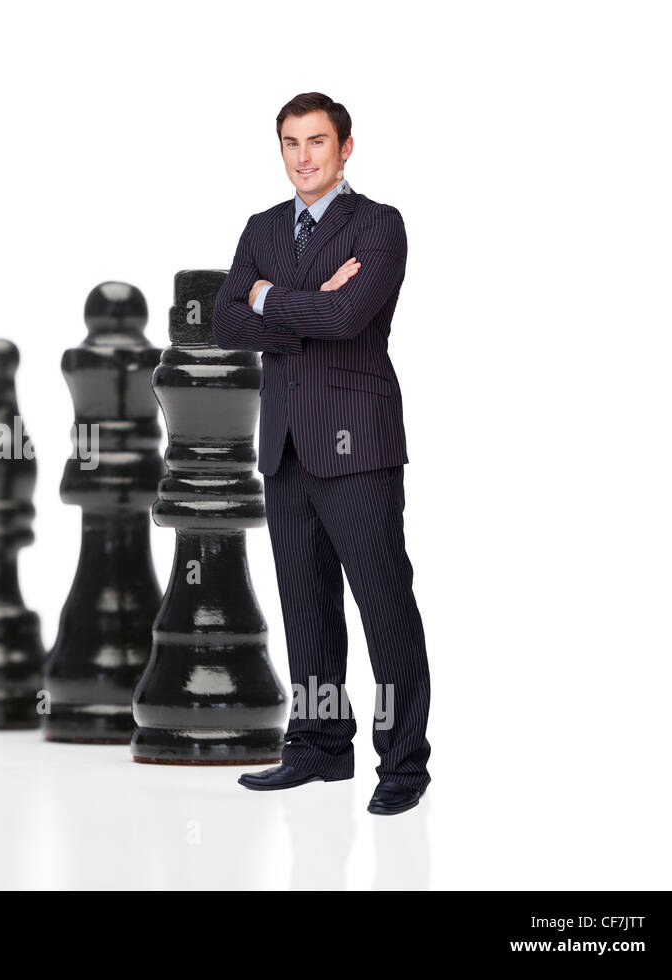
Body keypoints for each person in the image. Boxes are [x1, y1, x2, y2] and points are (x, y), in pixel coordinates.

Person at [212, 92, 431, 815]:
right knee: (305, 609)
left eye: (316, 142)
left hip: (359, 445)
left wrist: (269, 298)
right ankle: (318, 743)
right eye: (290, 143)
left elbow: (350, 314)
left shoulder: (379, 225)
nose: (303, 157)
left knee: (383, 605)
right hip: (285, 448)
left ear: (345, 147)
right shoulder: (263, 227)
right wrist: (296, 303)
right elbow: (224, 323)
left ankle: (401, 764)